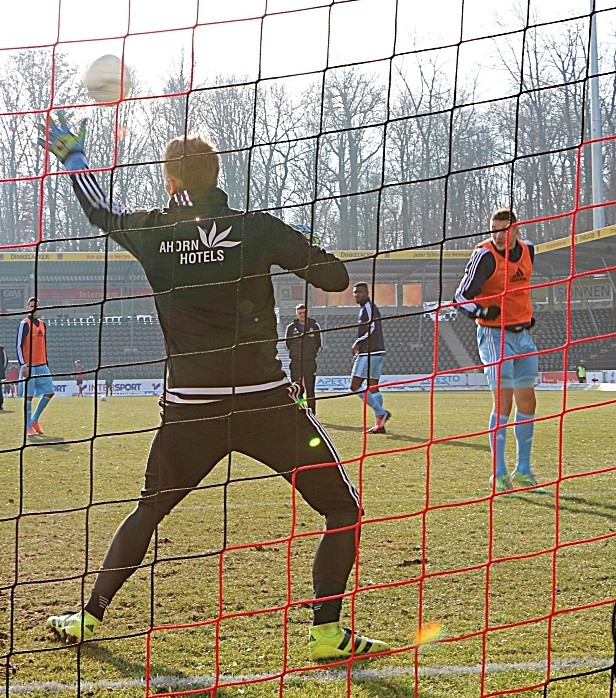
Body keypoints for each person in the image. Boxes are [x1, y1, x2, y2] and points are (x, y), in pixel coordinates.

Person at [37, 117, 383, 662]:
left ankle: (88, 614)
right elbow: (337, 279)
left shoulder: (153, 230)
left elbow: (99, 211)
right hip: (265, 402)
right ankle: (325, 633)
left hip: (190, 410)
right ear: (218, 172)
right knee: (342, 509)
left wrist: (74, 157)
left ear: (171, 182)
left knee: (148, 510)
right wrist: (301, 246)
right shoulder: (257, 226)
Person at [454, 208, 543, 493]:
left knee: (528, 402)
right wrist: (482, 309)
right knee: (504, 402)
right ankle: (499, 473)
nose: (498, 235)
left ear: (517, 229)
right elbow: (459, 298)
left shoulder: (529, 250)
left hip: (523, 337)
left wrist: (526, 315)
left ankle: (525, 471)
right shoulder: (484, 256)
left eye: (503, 229)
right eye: (494, 229)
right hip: (494, 336)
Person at [350, 283, 391, 434]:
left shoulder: (368, 308)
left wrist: (358, 342)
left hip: (370, 352)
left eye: (359, 292)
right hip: (377, 352)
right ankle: (380, 426)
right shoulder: (366, 308)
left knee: (354, 386)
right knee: (373, 387)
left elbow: (372, 328)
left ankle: (381, 412)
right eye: (355, 292)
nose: (356, 295)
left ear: (367, 293)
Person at [17, 297, 55, 435]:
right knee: (29, 396)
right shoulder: (24, 324)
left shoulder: (43, 324)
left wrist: (46, 362)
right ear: (28, 308)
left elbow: (43, 345)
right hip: (29, 366)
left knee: (50, 392)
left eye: (36, 306)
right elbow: (18, 346)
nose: (34, 308)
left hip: (42, 365)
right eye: (31, 305)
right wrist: (23, 365)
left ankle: (34, 419)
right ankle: (28, 427)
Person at [285, 304, 322, 413]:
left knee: (310, 389)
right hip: (296, 363)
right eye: (300, 313)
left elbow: (319, 344)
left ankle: (312, 411)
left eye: (304, 312)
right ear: (297, 314)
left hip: (310, 362)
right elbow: (288, 344)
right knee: (297, 389)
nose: (302, 315)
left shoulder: (315, 326)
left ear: (308, 313)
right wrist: (295, 355)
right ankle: (300, 409)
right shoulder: (291, 328)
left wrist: (311, 355)